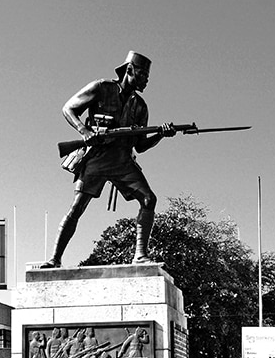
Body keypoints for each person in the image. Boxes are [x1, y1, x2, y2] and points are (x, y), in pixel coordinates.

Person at [40, 50, 176, 269]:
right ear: (129, 70)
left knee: (149, 199)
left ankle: (140, 255)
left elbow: (140, 146)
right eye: (143, 76)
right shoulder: (101, 88)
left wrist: (160, 134)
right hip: (97, 157)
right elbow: (69, 108)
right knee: (77, 207)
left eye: (147, 78)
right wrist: (83, 130)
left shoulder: (140, 107)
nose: (146, 82)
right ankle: (55, 258)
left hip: (123, 161)